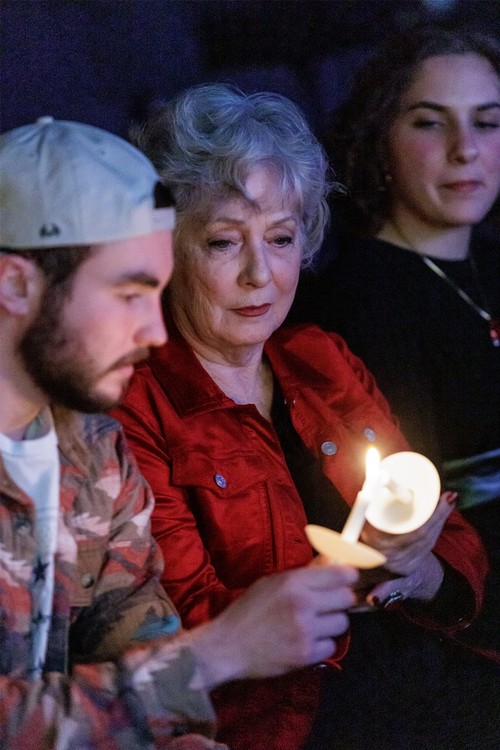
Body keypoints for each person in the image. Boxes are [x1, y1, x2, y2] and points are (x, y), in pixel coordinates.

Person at [112, 84, 497, 750]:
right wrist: (347, 580)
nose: (260, 274)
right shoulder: (137, 404)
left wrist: (414, 570)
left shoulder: (320, 358)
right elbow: (179, 633)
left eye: (282, 238)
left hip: (423, 679)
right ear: (166, 252)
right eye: (223, 243)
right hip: (288, 723)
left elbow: (457, 544)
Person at [0, 116, 361, 750]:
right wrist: (219, 650)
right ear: (16, 286)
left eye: (159, 292)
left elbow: (138, 644)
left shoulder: (94, 449)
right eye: (128, 294)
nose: (155, 332)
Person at [289, 25, 500, 661]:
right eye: (431, 123)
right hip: (456, 612)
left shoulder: (490, 259)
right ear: (380, 140)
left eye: (488, 122)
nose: (466, 149)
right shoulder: (355, 300)